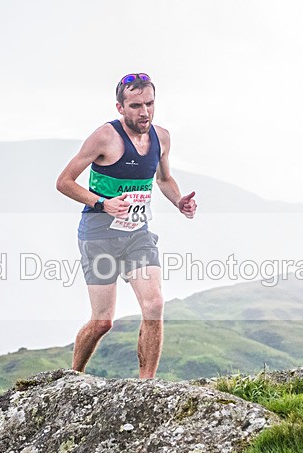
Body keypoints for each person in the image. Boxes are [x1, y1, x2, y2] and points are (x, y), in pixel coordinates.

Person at [55, 72, 197, 379]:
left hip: (137, 235)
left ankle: (145, 386)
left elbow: (163, 179)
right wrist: (102, 203)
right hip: (99, 235)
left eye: (149, 104)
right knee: (103, 321)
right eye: (135, 106)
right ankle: (72, 379)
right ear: (120, 107)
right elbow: (64, 182)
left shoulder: (162, 137)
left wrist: (179, 201)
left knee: (154, 304)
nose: (144, 112)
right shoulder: (104, 137)